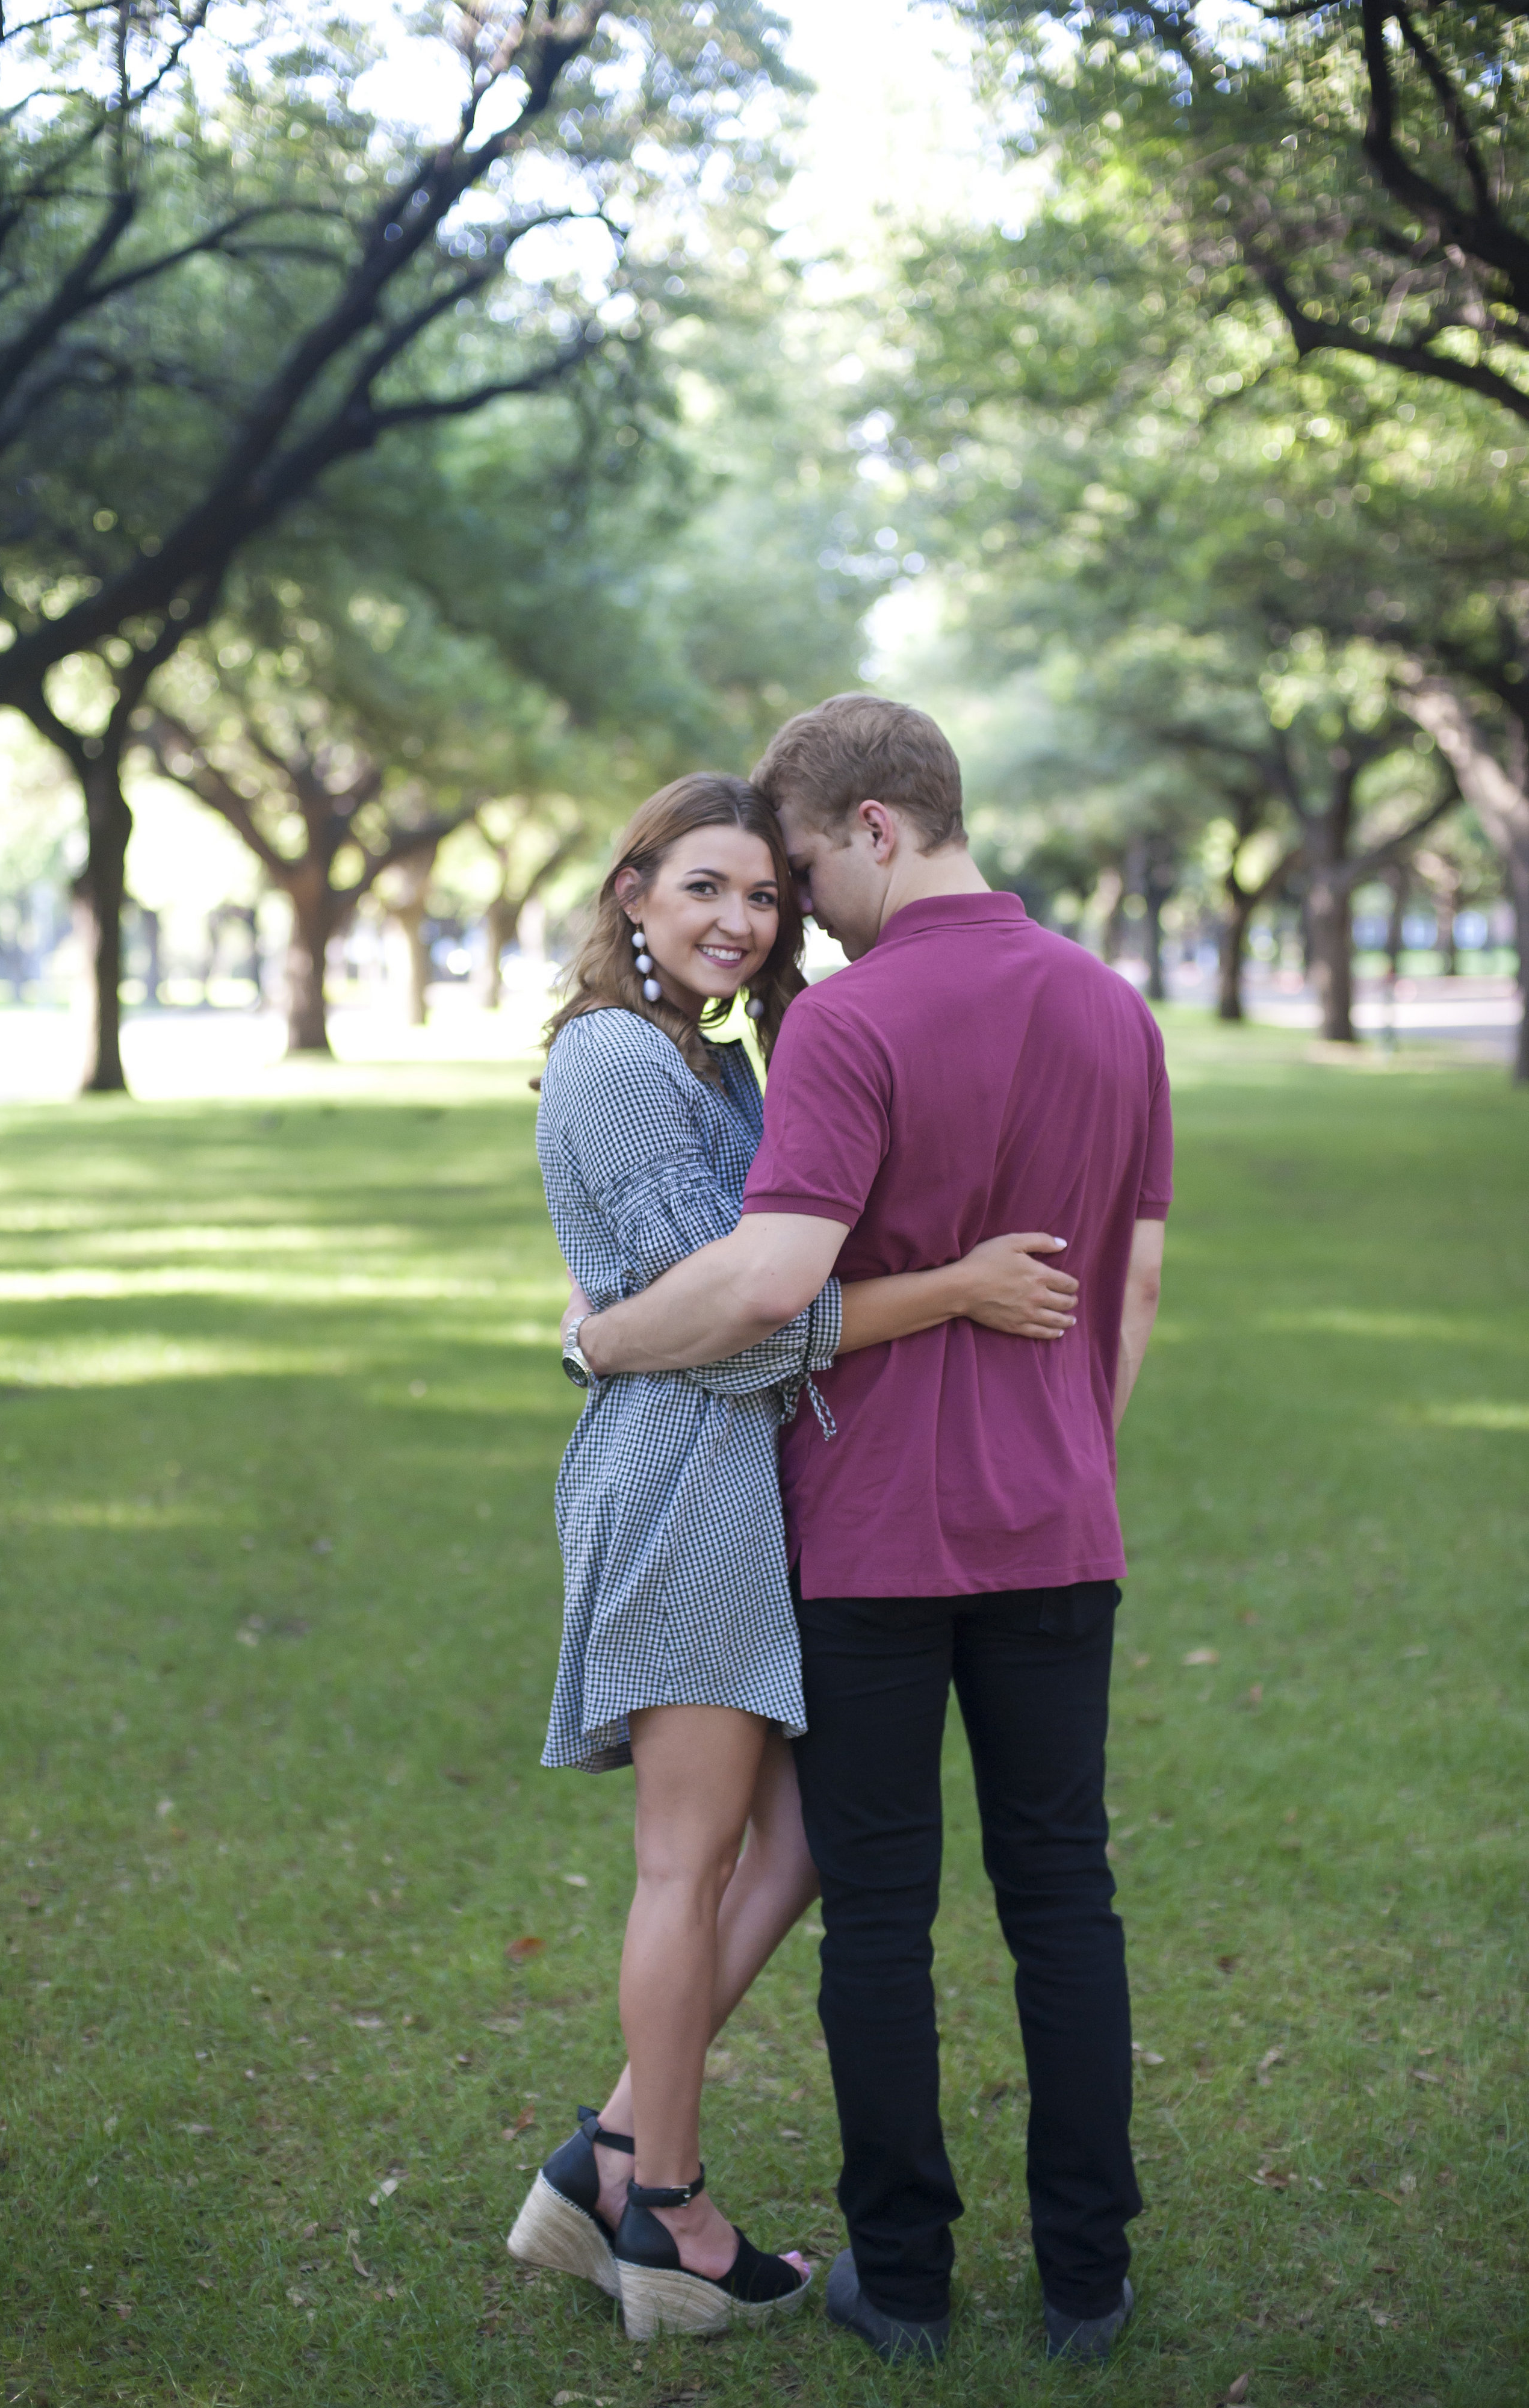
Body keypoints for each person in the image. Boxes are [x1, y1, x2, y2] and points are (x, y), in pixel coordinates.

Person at [565, 698, 1171, 2368]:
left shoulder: (846, 1025)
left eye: (807, 868)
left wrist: (604, 1336)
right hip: (1061, 1530)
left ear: (880, 829)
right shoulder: (1118, 1012)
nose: (795, 917)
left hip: (875, 1538)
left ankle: (900, 2282)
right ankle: (1086, 2280)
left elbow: (771, 1281)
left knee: (883, 1913)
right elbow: (1131, 1303)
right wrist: (1061, 1463)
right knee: (1068, 1898)